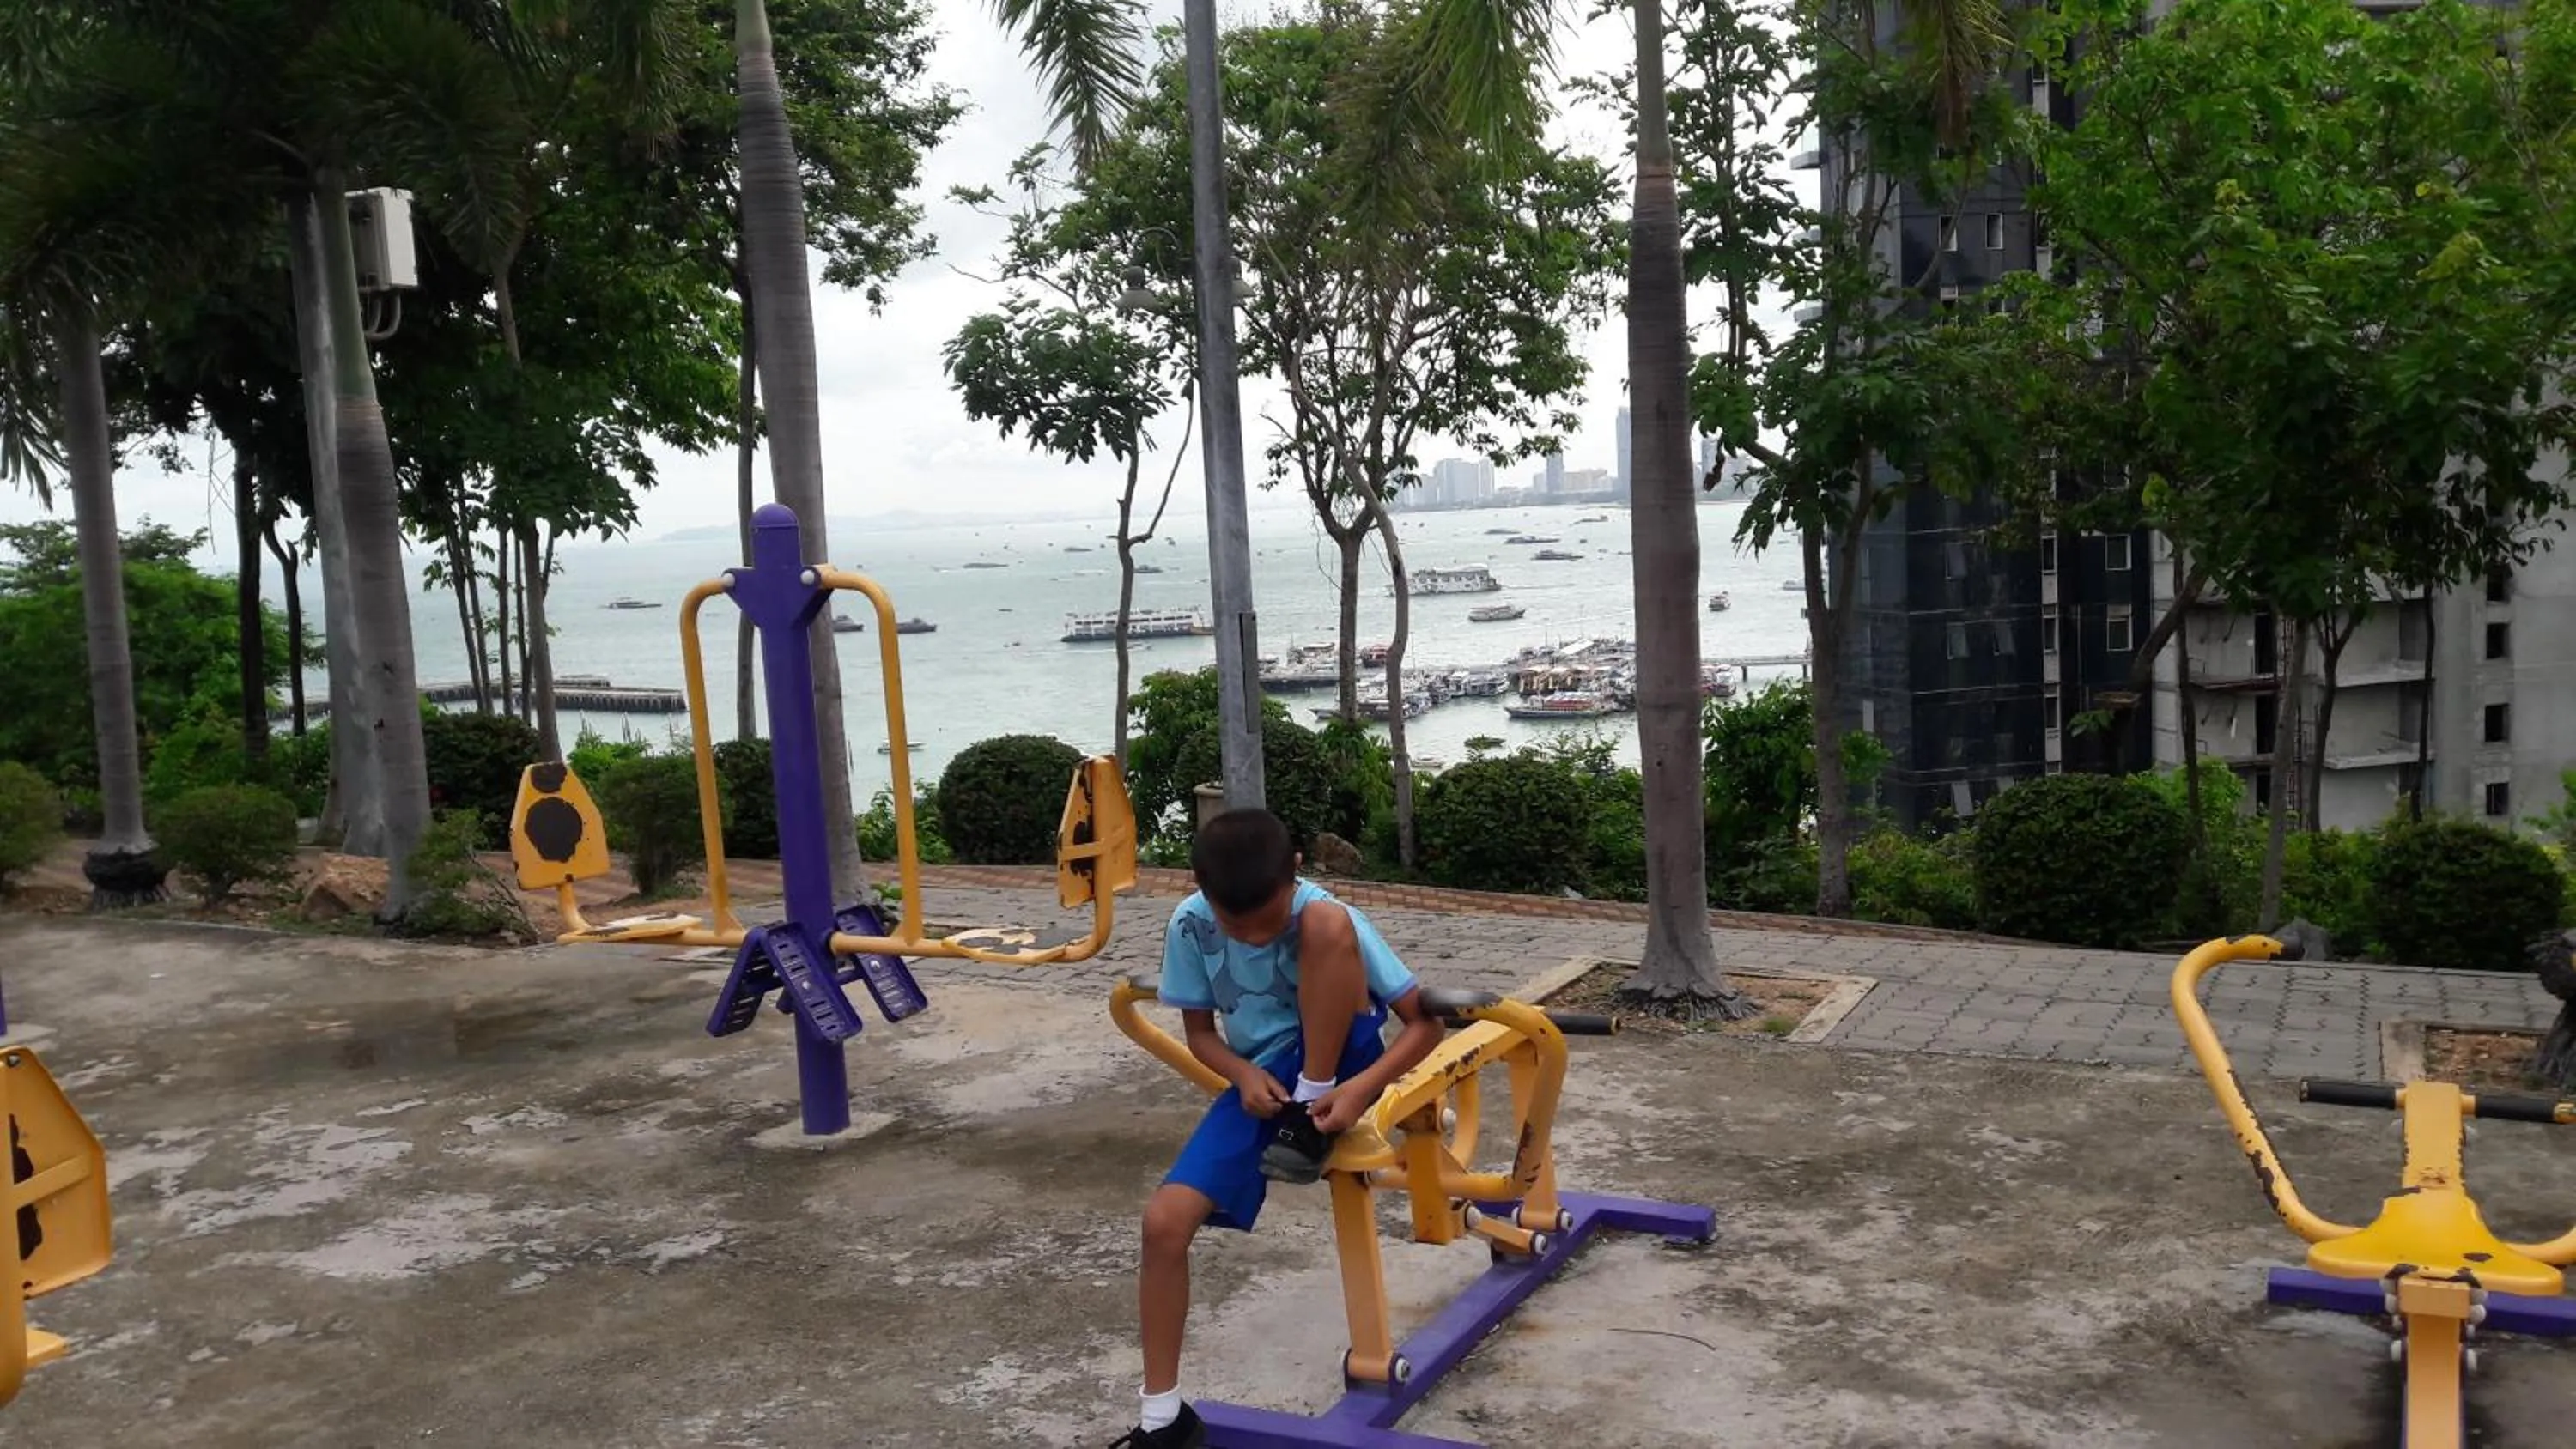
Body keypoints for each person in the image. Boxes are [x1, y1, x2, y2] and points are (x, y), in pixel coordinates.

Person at [1111, 808, 1445, 1449]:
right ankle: (1161, 1418)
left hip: (1342, 1061)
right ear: (1203, 890)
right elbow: (1202, 1036)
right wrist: (1241, 1074)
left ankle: (1311, 1113)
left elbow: (1425, 1023)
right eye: (1238, 928)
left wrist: (1357, 1091)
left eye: (1267, 923)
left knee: (1325, 924)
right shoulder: (1190, 923)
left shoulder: (1324, 914)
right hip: (1264, 1082)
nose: (1257, 939)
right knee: (1163, 1224)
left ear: (1295, 870)